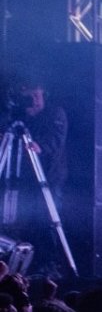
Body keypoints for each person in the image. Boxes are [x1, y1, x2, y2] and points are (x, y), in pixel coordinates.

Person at [2, 80, 69, 275]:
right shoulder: (25, 117)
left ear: (43, 95)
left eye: (37, 96)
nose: (34, 101)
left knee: (47, 218)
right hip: (29, 177)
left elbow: (56, 138)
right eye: (30, 97)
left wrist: (40, 146)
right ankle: (28, 262)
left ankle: (50, 264)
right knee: (30, 220)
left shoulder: (55, 113)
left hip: (50, 176)